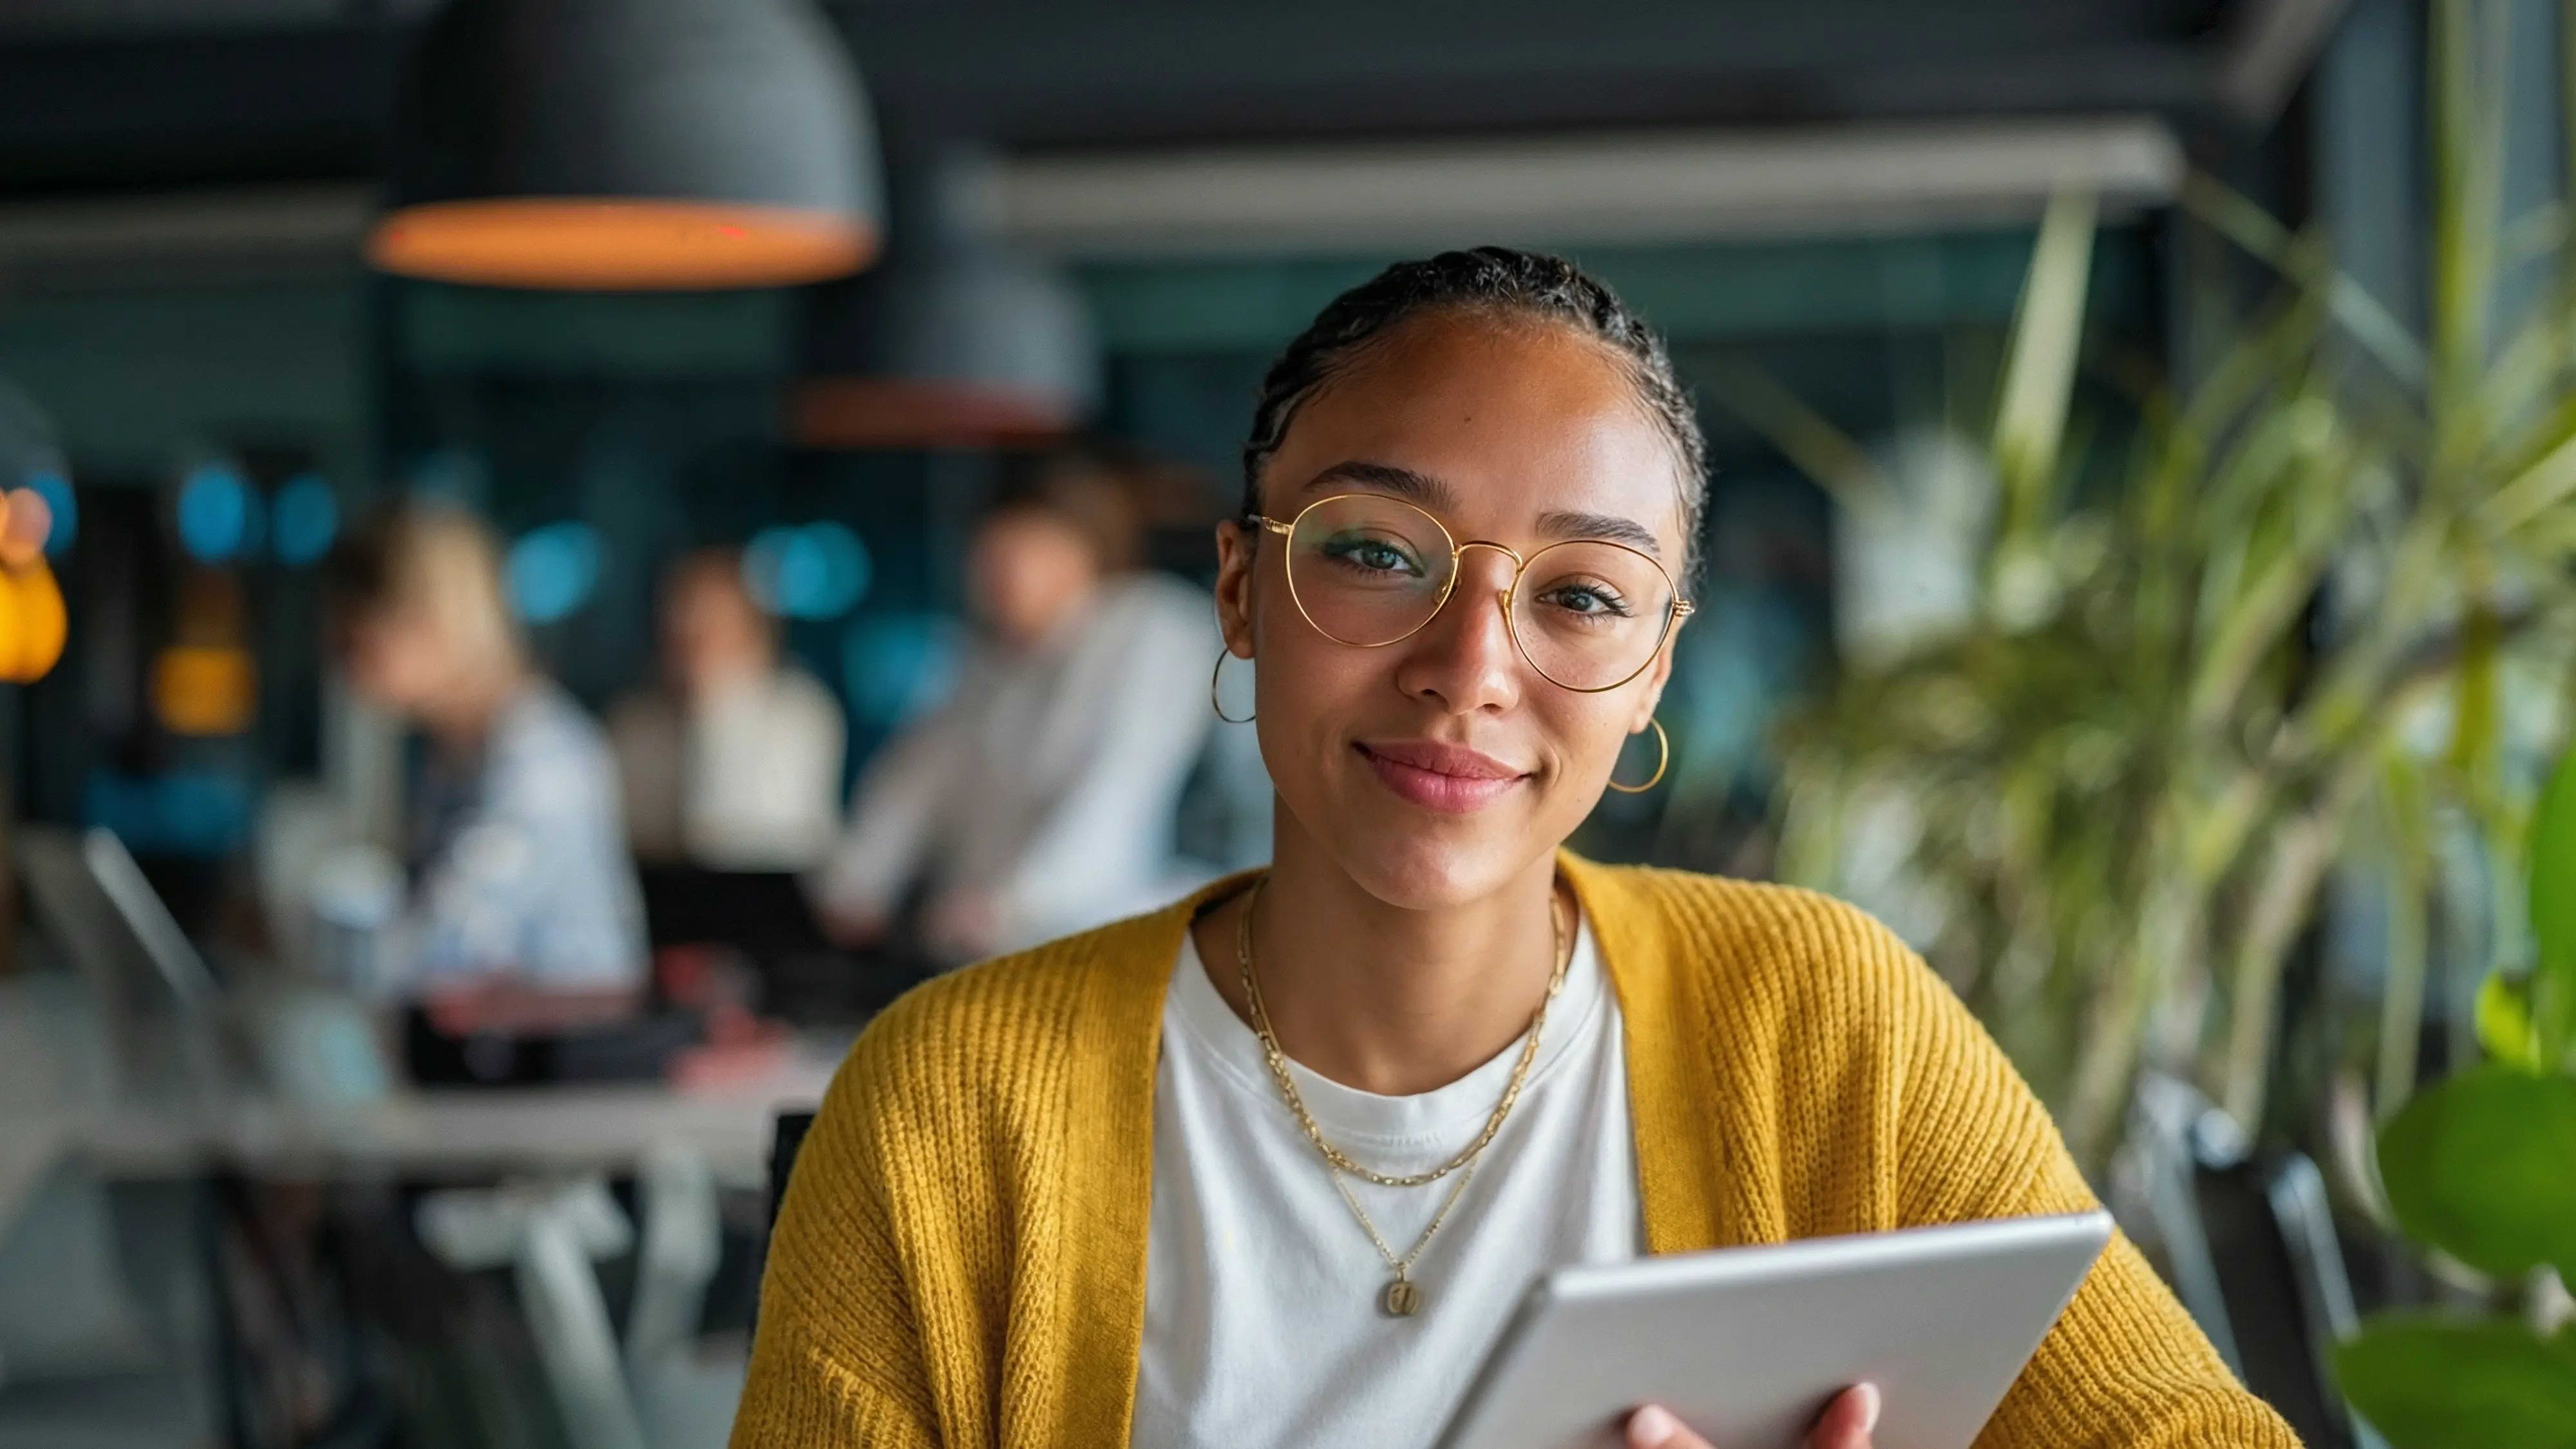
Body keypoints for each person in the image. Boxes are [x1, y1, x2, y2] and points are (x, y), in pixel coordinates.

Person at [735, 251, 2298, 1449]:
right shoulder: (949, 1103)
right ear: (1236, 589)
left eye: (1583, 594)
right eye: (1372, 553)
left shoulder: (1824, 1027)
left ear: (1657, 668)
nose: (1469, 663)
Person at [810, 457, 1220, 965]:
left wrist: (1009, 906)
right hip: (987, 947)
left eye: (1022, 550)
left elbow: (1117, 787)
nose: (998, 574)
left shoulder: (1152, 626)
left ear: (1086, 549)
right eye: (988, 554)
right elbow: (915, 781)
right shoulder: (988, 664)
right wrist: (853, 885)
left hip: (1111, 934)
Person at [322, 502, 646, 1030]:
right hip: (492, 1068)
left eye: (357, 640)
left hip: (565, 1084)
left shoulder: (543, 760)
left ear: (431, 623)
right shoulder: (451, 758)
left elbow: (446, 950)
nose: (344, 663)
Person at [609, 547, 847, 871]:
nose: (690, 647)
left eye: (711, 626)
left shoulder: (800, 716)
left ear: (754, 634)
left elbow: (737, 846)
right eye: (678, 627)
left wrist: (715, 709)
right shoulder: (635, 724)